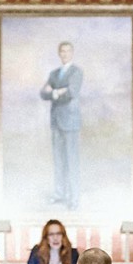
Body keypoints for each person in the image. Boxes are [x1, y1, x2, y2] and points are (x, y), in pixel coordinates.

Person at [40, 41, 83, 209]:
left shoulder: (76, 72)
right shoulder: (54, 73)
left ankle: (74, 199)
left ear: (72, 53)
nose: (65, 54)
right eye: (62, 51)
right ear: (59, 54)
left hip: (71, 122)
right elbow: (43, 93)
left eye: (68, 51)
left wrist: (55, 92)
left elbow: (72, 92)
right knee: (58, 160)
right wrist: (59, 92)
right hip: (56, 121)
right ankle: (59, 194)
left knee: (71, 161)